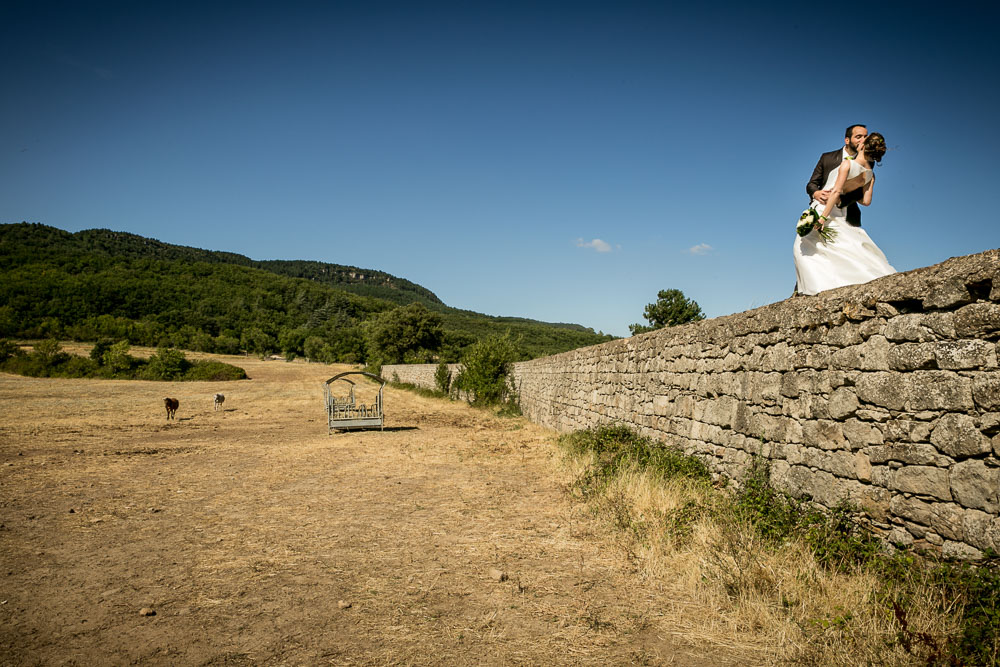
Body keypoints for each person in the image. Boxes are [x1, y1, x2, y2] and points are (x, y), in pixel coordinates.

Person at [793, 131, 895, 295]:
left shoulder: (847, 165)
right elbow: (866, 201)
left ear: (862, 146)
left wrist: (823, 218)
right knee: (842, 248)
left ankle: (818, 288)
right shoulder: (871, 174)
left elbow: (836, 192)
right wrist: (848, 193)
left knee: (803, 247)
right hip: (842, 212)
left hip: (826, 209)